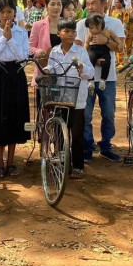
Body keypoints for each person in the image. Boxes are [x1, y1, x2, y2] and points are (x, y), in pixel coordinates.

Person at [75, 0, 125, 162]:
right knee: (86, 113)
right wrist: (91, 59)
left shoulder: (115, 24)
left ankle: (106, 145)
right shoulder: (81, 24)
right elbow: (79, 48)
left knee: (109, 113)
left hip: (108, 77)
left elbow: (121, 48)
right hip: (87, 77)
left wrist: (106, 41)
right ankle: (87, 146)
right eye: (88, 4)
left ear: (104, 3)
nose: (90, 7)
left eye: (94, 3)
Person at [0, 0, 30, 178]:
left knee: (14, 116)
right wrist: (4, 39)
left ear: (15, 13)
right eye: (2, 12)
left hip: (16, 75)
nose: (5, 15)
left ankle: (11, 162)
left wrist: (10, 39)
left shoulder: (21, 32)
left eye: (9, 11)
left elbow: (22, 58)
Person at [46, 18, 94, 179]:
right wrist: (46, 70)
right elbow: (52, 68)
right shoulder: (54, 51)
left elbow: (91, 72)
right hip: (60, 97)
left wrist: (82, 68)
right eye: (66, 31)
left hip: (77, 99)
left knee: (77, 133)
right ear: (59, 34)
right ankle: (61, 159)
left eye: (73, 31)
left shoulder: (81, 51)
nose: (70, 34)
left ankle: (78, 165)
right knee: (59, 130)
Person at [29, 0, 64, 77]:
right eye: (52, 4)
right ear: (46, 7)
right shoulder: (37, 25)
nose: (56, 7)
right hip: (44, 72)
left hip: (64, 72)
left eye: (59, 4)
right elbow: (29, 48)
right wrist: (39, 52)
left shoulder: (66, 24)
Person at [85, 14, 117, 90]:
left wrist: (114, 41)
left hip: (104, 51)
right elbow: (86, 43)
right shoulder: (90, 34)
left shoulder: (106, 32)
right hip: (93, 50)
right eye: (89, 28)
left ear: (99, 26)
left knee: (107, 62)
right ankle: (91, 80)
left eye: (92, 28)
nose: (90, 30)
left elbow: (115, 38)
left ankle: (103, 80)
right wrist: (84, 52)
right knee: (90, 60)